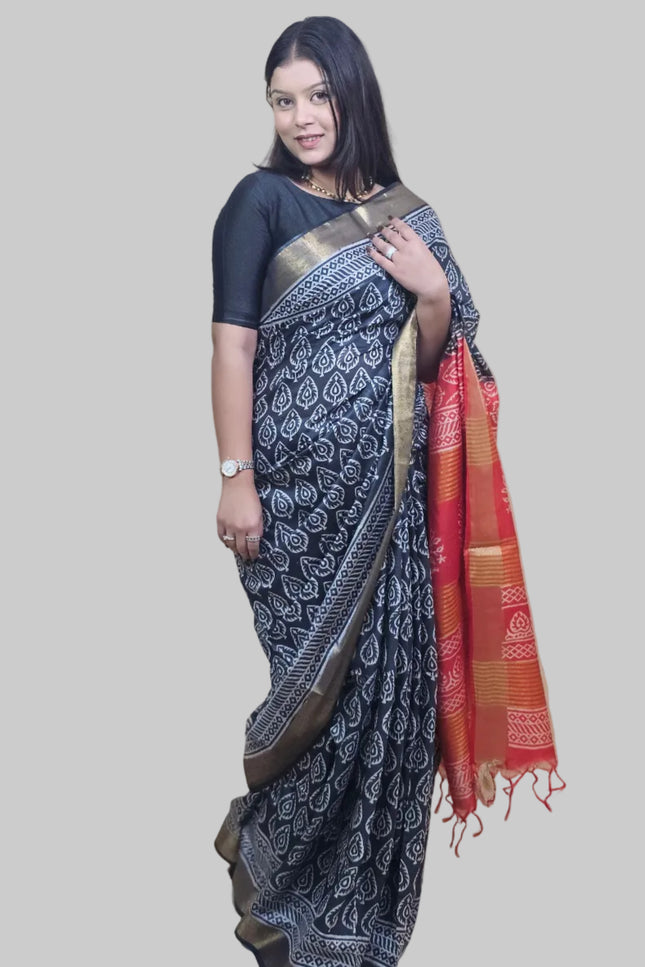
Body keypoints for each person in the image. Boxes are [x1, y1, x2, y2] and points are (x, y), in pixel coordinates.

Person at [210, 16, 561, 967]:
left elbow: (457, 369)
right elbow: (232, 343)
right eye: (283, 99)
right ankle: (279, 884)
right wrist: (235, 478)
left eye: (317, 95)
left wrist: (432, 293)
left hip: (397, 507)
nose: (300, 116)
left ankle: (359, 925)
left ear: (351, 94)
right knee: (316, 703)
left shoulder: (410, 216)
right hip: (295, 510)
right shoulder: (259, 202)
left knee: (396, 705)